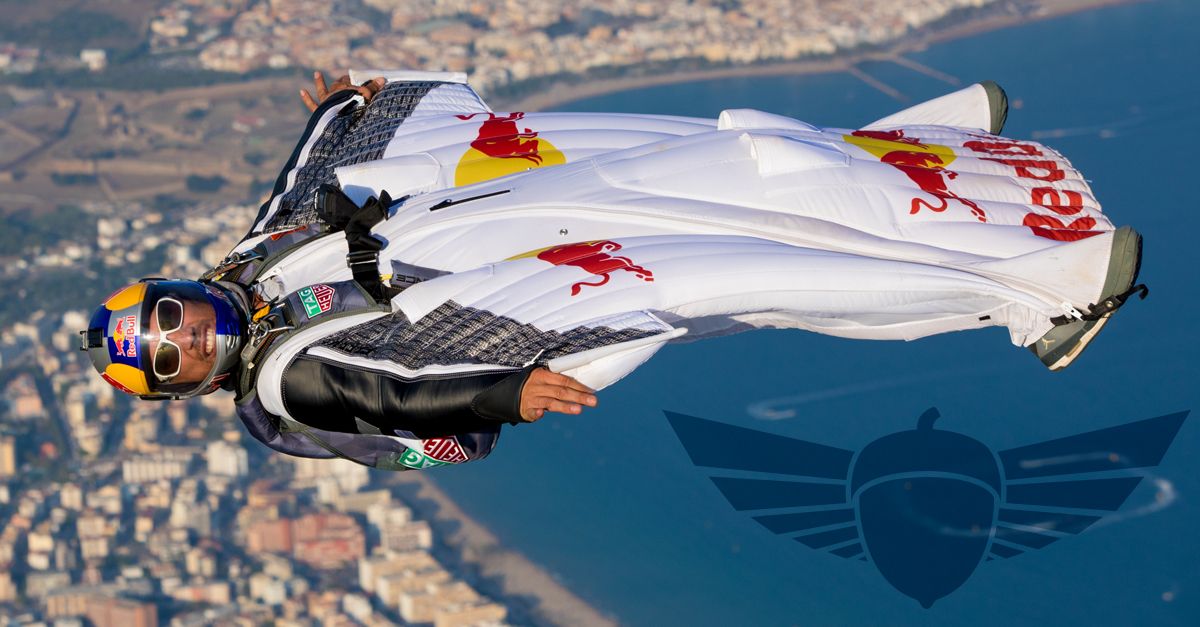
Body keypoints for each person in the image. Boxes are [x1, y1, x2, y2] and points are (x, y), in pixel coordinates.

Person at [80, 70, 1145, 471]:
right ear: (188, 384)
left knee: (709, 165)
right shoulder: (281, 380)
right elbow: (390, 393)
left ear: (179, 288)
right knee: (735, 269)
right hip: (489, 304)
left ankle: (915, 153)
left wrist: (335, 114)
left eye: (171, 315)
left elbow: (298, 190)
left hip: (482, 223)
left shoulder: (247, 267)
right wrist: (504, 392)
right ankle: (1039, 291)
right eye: (176, 356)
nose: (191, 334)